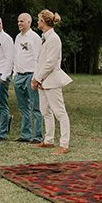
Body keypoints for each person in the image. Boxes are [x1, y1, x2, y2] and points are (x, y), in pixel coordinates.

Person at [32, 9, 72, 154]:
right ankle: (49, 140)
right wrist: (36, 78)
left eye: (39, 20)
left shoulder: (54, 39)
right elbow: (40, 61)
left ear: (43, 22)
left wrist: (37, 78)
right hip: (42, 81)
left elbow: (50, 63)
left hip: (52, 81)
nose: (37, 22)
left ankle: (64, 144)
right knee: (45, 111)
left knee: (60, 113)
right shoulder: (44, 38)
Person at [13, 13, 42, 143]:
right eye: (18, 21)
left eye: (22, 21)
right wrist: (15, 74)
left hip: (31, 75)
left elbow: (38, 59)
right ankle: (25, 135)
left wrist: (35, 78)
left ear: (29, 22)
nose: (19, 23)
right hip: (19, 76)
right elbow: (16, 57)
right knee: (23, 107)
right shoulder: (18, 37)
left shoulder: (35, 38)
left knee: (35, 107)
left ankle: (37, 136)